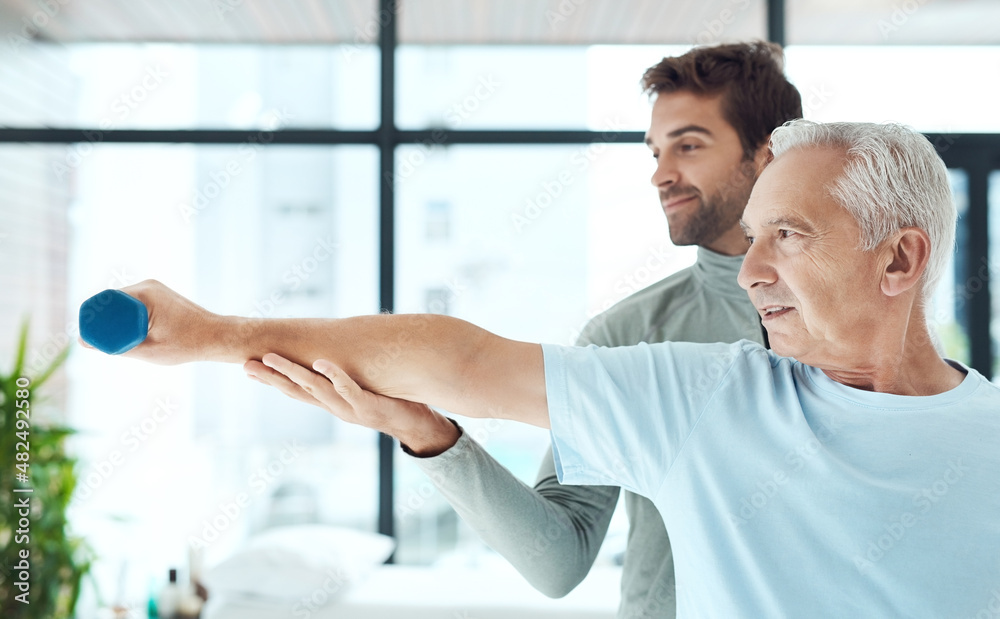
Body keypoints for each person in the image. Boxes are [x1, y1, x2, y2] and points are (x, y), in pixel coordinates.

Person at [91, 119, 1000, 616]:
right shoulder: (703, 396)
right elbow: (458, 357)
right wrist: (214, 332)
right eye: (753, 235)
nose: (753, 268)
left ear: (898, 260)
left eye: (788, 237)